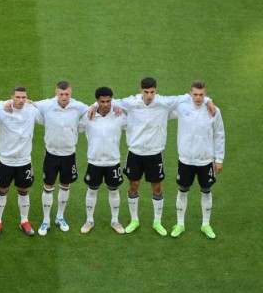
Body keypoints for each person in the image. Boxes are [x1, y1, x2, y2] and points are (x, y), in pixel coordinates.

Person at [88, 77, 216, 236]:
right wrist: (93, 106)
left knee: (156, 187)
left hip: (155, 153)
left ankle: (157, 222)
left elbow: (189, 96)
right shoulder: (131, 102)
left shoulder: (164, 102)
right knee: (133, 185)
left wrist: (209, 101)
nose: (149, 95)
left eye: (152, 92)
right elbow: (109, 102)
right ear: (141, 91)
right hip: (135, 152)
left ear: (156, 90)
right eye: (146, 92)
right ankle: (134, 220)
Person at [31, 81, 89, 236]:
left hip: (69, 154)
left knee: (65, 184)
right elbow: (28, 104)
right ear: (56, 92)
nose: (64, 97)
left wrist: (78, 128)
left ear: (71, 93)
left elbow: (93, 110)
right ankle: (46, 220)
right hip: (51, 154)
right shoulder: (46, 105)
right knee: (48, 185)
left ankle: (60, 217)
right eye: (61, 94)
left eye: (67, 94)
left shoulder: (78, 106)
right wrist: (10, 103)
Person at [171, 80, 225, 239]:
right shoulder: (181, 108)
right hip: (186, 160)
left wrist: (219, 158)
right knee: (182, 191)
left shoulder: (214, 112)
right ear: (190, 94)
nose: (198, 98)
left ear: (205, 94)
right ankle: (180, 224)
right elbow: (163, 108)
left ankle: (206, 224)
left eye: (202, 95)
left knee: (207, 192)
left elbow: (219, 135)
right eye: (195, 94)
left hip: (205, 161)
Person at [0, 86, 44, 237]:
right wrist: (5, 103)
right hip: (6, 160)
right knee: (2, 190)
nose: (21, 100)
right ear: (12, 97)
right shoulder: (2, 109)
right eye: (17, 97)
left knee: (24, 190)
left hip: (24, 160)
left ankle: (24, 221)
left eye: (23, 97)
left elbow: (50, 106)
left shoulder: (32, 110)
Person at [78, 87, 127, 234]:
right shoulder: (88, 116)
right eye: (102, 101)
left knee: (114, 191)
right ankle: (89, 220)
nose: (106, 104)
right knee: (92, 190)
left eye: (108, 101)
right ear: (97, 101)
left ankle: (115, 221)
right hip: (94, 161)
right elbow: (75, 128)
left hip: (113, 161)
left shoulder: (119, 115)